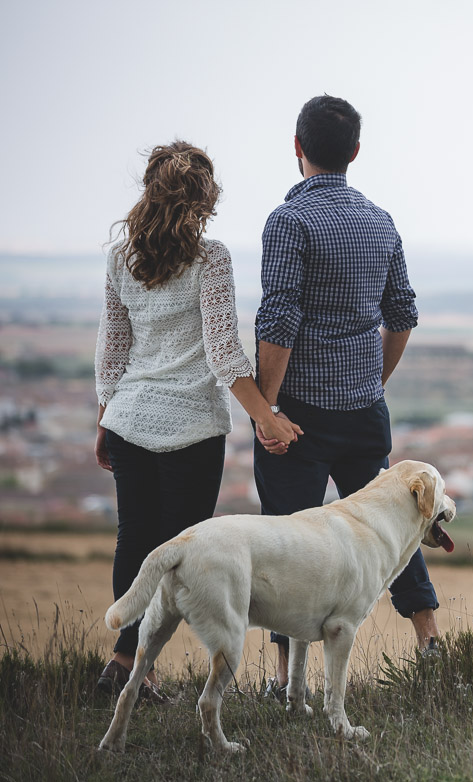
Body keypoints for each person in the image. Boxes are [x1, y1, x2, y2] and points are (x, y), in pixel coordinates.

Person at [94, 141, 303, 699]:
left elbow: (112, 347)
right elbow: (223, 352)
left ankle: (123, 664)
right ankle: (142, 672)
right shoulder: (211, 259)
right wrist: (267, 415)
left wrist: (104, 416)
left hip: (129, 419)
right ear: (203, 199)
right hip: (191, 428)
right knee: (178, 554)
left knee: (134, 538)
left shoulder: (121, 258)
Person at [252, 95, 440, 698]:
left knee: (287, 542)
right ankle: (430, 640)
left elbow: (278, 320)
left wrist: (268, 407)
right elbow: (403, 312)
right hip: (364, 410)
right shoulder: (380, 222)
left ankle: (287, 682)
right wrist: (372, 384)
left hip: (298, 415)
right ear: (355, 152)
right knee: (394, 530)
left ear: (297, 148)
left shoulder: (289, 222)